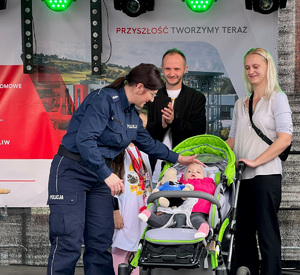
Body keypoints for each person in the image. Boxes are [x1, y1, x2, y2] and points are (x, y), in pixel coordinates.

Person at [47, 63, 203, 275]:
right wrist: (107, 175)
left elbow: (148, 143)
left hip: (101, 176)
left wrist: (180, 158)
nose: (152, 99)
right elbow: (85, 140)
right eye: (152, 93)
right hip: (73, 172)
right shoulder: (103, 100)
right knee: (68, 240)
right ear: (139, 87)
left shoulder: (132, 115)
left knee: (100, 241)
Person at [226, 48, 293, 275]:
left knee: (267, 234)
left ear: (267, 68)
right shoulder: (240, 104)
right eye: (247, 67)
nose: (251, 71)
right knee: (243, 234)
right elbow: (232, 141)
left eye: (256, 66)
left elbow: (285, 139)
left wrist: (255, 161)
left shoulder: (277, 98)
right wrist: (213, 155)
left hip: (267, 175)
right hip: (241, 179)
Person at [146, 48, 206, 186]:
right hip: (153, 169)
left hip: (185, 172)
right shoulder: (151, 96)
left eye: (177, 69)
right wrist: (162, 125)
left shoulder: (196, 98)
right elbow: (143, 131)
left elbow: (199, 131)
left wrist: (174, 122)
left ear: (185, 69)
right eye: (167, 69)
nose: (172, 73)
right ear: (161, 68)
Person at [111, 109, 152, 275]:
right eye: (137, 125)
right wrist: (115, 212)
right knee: (121, 249)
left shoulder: (144, 152)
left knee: (137, 249)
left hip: (140, 211)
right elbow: (109, 186)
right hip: (124, 211)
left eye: (144, 126)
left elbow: (147, 182)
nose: (139, 131)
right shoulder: (115, 151)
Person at [138, 163, 215, 239]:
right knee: (160, 221)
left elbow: (211, 190)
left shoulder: (208, 184)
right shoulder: (177, 184)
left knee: (197, 220)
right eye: (189, 171)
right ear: (183, 176)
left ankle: (203, 227)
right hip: (174, 209)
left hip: (196, 210)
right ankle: (148, 214)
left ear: (205, 176)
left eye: (198, 172)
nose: (193, 173)